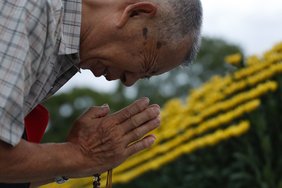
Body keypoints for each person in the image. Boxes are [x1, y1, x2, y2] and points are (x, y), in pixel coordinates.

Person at [0, 0, 202, 187]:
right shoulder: (33, 10)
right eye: (146, 65)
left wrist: (76, 158)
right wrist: (80, 155)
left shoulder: (65, 47)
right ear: (135, 13)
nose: (129, 81)